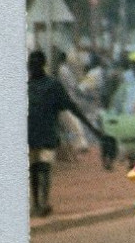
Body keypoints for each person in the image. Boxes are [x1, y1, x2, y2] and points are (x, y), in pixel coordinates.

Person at [28, 49, 113, 217]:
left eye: (36, 63)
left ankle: (43, 203)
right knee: (34, 169)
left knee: (44, 167)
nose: (33, 66)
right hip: (29, 136)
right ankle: (36, 203)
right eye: (31, 63)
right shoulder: (26, 87)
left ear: (42, 65)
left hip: (47, 135)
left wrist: (93, 129)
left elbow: (72, 108)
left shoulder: (52, 86)